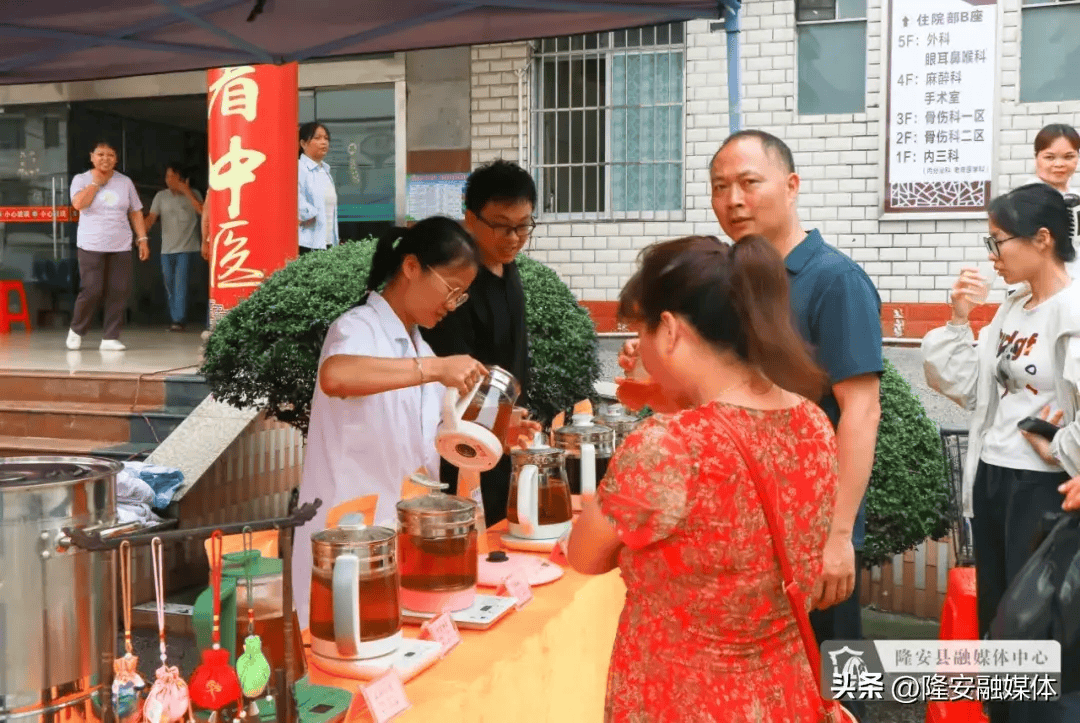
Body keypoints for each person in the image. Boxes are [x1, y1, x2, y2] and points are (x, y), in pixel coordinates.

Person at [620, 129, 882, 721]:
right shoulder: (725, 277)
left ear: (791, 187)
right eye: (719, 187)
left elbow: (862, 410)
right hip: (741, 544)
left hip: (810, 535)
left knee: (835, 679)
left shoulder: (834, 279)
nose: (732, 200)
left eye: (748, 183)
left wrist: (839, 536)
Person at [570, 235, 838, 722]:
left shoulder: (668, 446)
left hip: (682, 694)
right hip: (785, 687)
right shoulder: (812, 423)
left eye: (641, 330)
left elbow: (585, 555)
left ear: (669, 331)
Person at [923, 182, 1080, 723]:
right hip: (993, 476)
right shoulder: (1012, 308)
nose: (992, 257)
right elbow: (970, 387)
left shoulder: (1073, 310)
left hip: (1045, 488)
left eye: (998, 242)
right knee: (999, 614)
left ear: (1041, 239)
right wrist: (958, 318)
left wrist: (1058, 445)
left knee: (1040, 620)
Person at [291, 216, 488, 628]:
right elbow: (336, 376)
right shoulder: (357, 327)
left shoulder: (420, 345)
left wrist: (497, 429)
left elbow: (439, 436)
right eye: (451, 290)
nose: (452, 305)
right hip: (346, 546)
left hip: (402, 548)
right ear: (412, 267)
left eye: (461, 296)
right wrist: (433, 369)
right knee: (340, 664)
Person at [421, 160, 538, 526]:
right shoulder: (453, 283)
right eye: (502, 226)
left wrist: (514, 417)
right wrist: (499, 419)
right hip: (462, 443)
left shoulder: (509, 268)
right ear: (470, 218)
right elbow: (451, 371)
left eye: (523, 226)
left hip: (502, 435)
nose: (514, 238)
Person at [67, 140, 150, 352]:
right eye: (101, 154)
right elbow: (78, 205)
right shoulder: (81, 179)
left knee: (119, 290)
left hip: (120, 245)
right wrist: (95, 184)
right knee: (92, 289)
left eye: (110, 155)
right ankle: (76, 331)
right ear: (92, 157)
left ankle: (110, 337)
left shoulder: (125, 182)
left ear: (116, 159)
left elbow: (135, 211)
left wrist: (142, 239)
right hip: (91, 244)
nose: (105, 159)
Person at [146, 162, 203, 331]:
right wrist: (141, 234)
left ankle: (178, 320)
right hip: (166, 250)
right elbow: (151, 217)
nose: (168, 180)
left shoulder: (195, 194)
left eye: (172, 176)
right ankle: (176, 317)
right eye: (167, 176)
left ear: (182, 178)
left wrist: (187, 191)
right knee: (169, 283)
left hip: (188, 248)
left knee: (180, 284)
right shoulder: (160, 196)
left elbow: (203, 211)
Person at [1029, 123, 1080, 278]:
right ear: (1036, 157)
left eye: (1068, 156)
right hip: (1039, 290)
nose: (1059, 164)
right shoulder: (1024, 199)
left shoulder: (1076, 197)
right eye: (1049, 157)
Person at [298, 121, 339, 255]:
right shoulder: (299, 168)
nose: (324, 142)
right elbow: (294, 198)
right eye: (317, 138)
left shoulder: (325, 170)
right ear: (303, 143)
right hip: (306, 243)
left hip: (327, 242)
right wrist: (310, 213)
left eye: (326, 138)